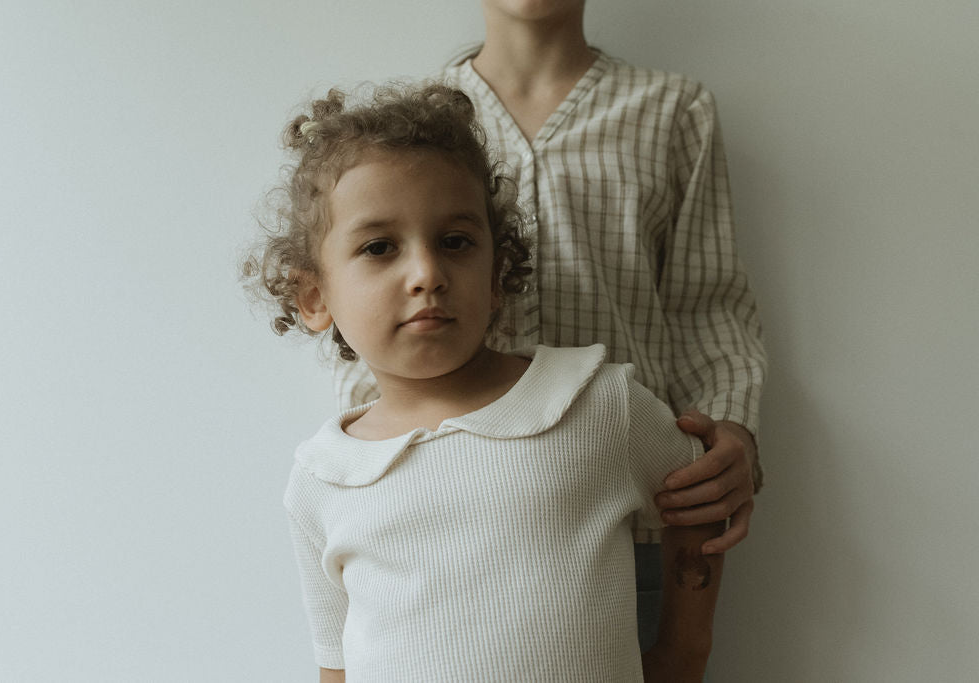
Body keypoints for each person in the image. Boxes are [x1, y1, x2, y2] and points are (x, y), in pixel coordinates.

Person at [246, 83, 724, 682]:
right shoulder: (321, 479)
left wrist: (685, 651)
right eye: (379, 247)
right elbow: (336, 665)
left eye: (455, 242)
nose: (426, 273)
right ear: (314, 297)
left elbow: (702, 502)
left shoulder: (599, 402)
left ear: (497, 275)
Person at [332, 0, 769, 651]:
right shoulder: (415, 133)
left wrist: (732, 432)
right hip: (438, 532)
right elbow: (365, 325)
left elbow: (706, 307)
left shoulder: (673, 112)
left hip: (629, 527)